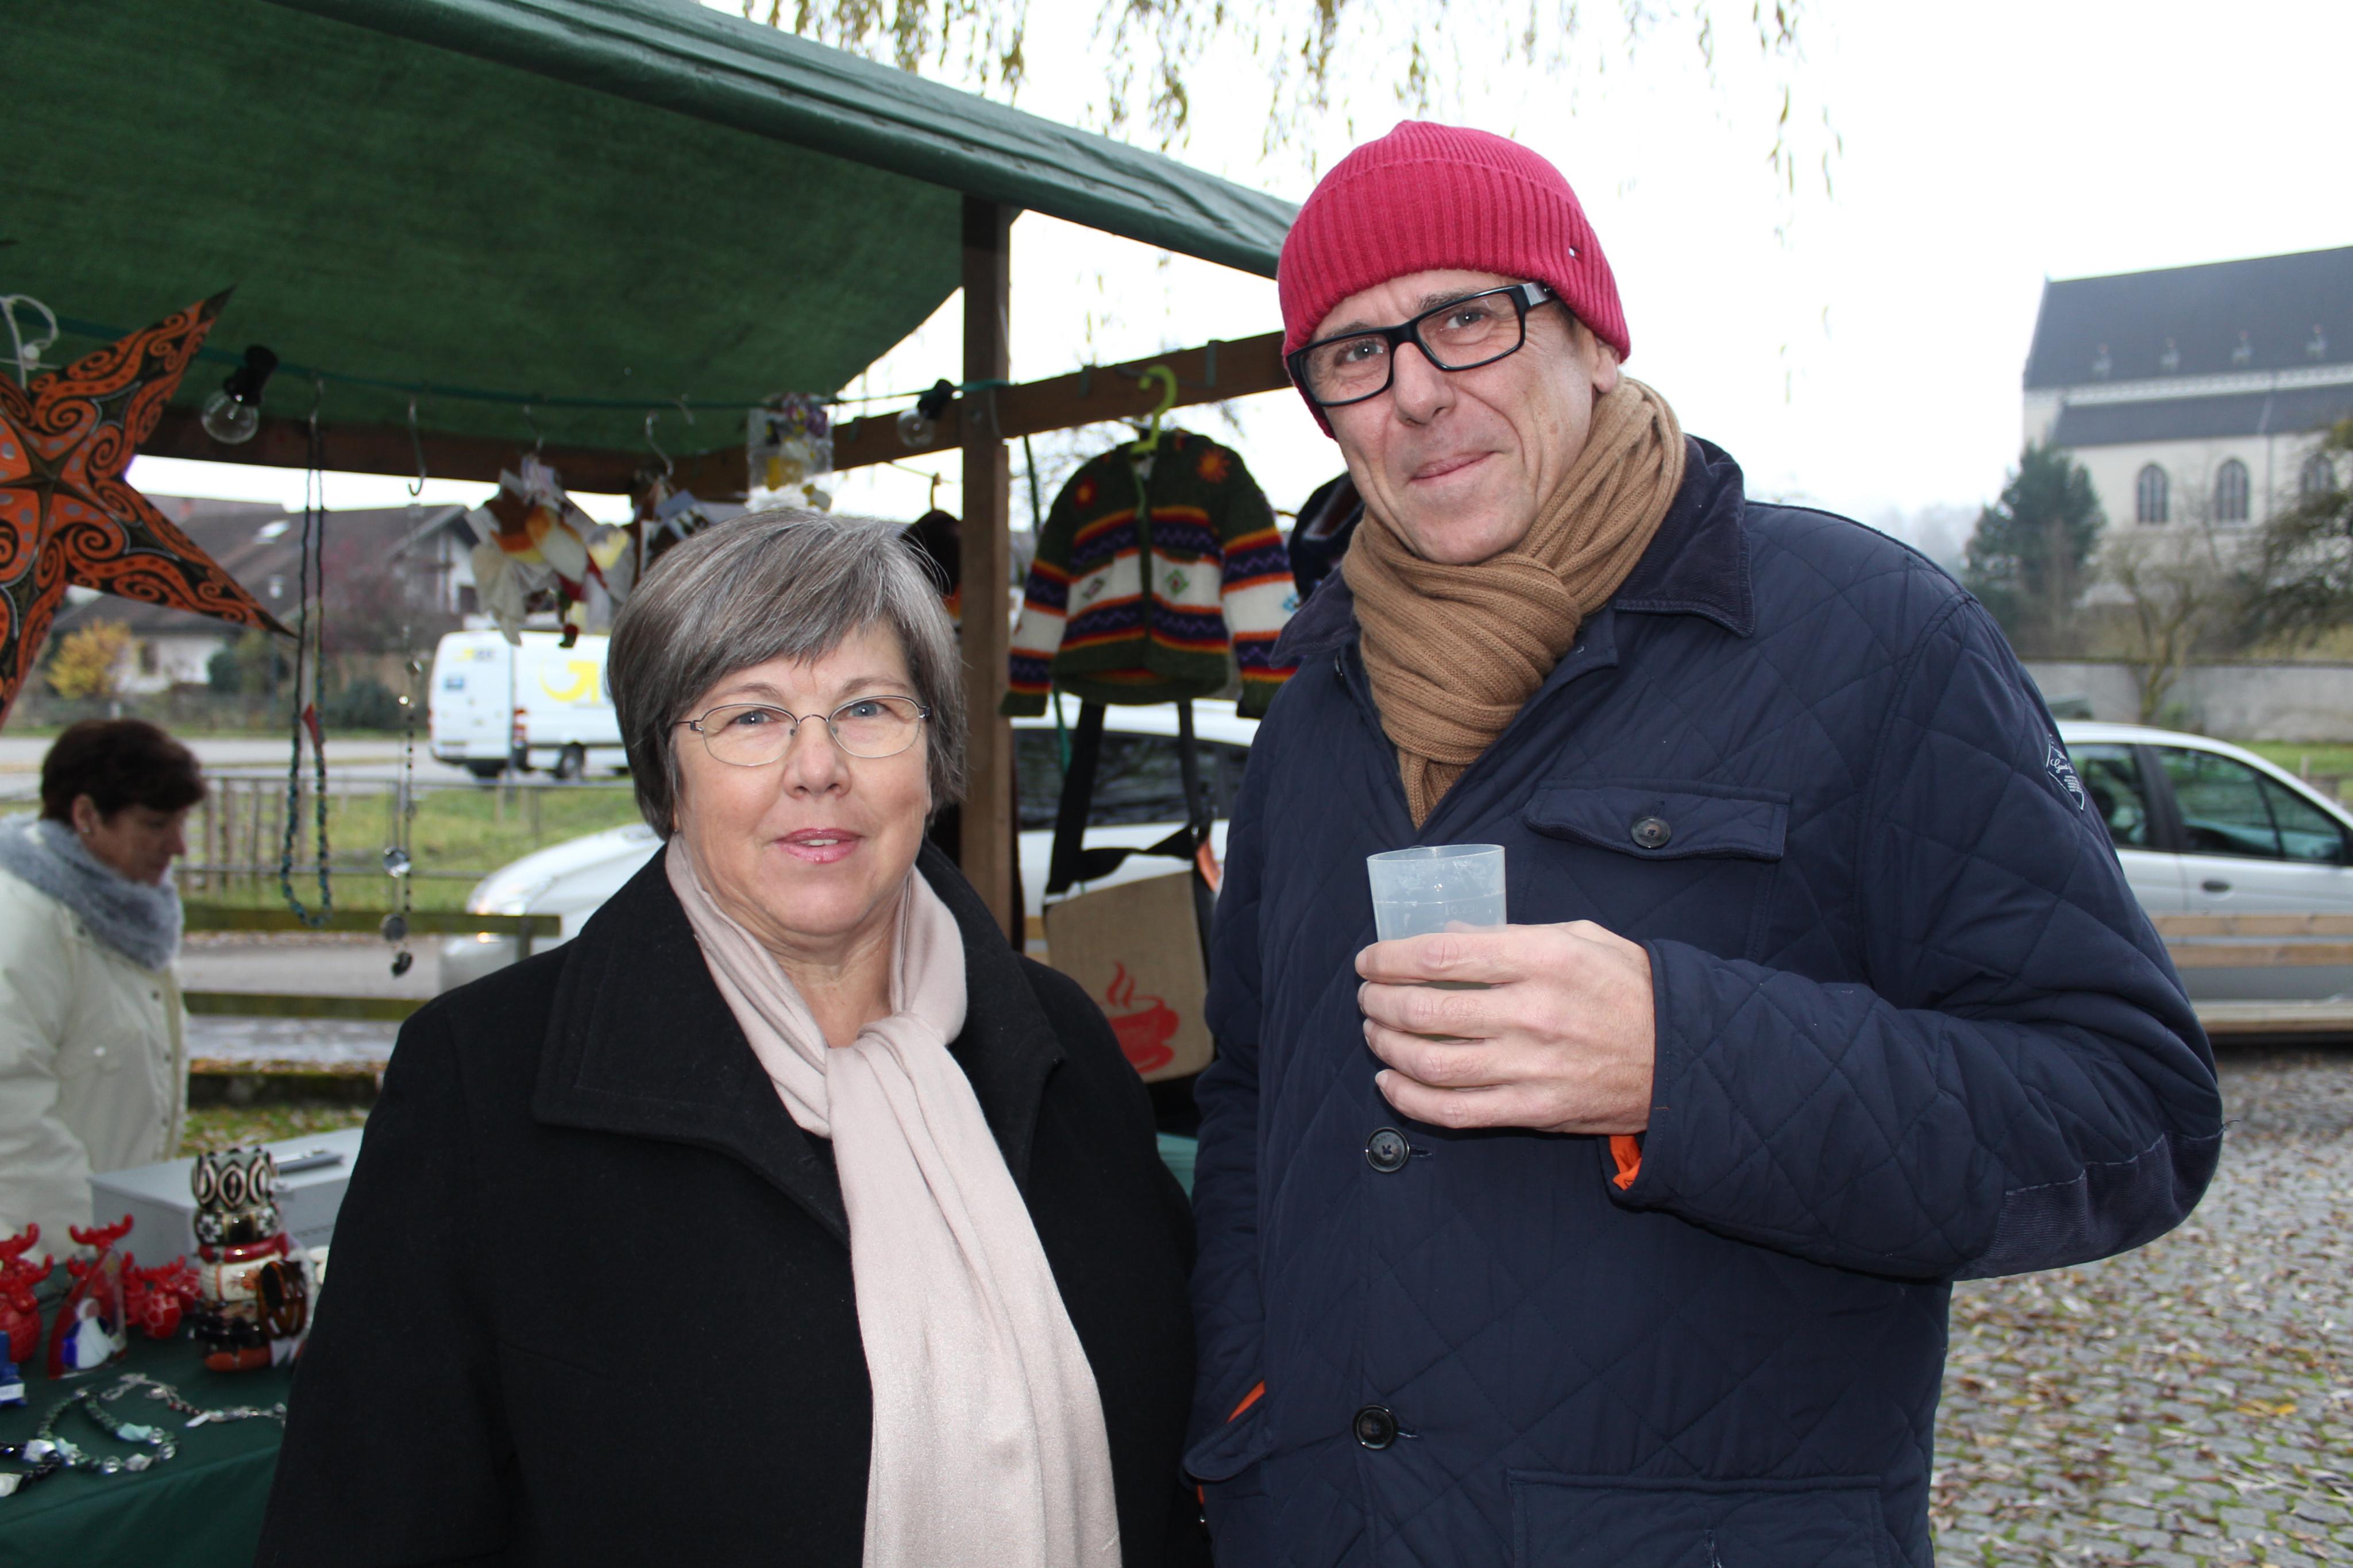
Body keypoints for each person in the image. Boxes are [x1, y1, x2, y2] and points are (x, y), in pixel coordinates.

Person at [1185, 121, 2223, 1567]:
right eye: (1353, 353)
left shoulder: (1873, 639)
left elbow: (2127, 1115)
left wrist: (1681, 1059)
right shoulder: (1313, 710)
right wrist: (1241, 1410)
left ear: (1593, 338)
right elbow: (1251, 1097)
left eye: (1468, 319)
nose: (1415, 391)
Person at [259, 512, 1202, 1566]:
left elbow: (1174, 1457)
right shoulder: (483, 1082)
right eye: (751, 716)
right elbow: (364, 1524)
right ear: (668, 775)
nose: (818, 766)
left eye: (868, 708)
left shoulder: (1057, 1037)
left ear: (933, 757)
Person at [0, 719, 203, 1247]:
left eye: (182, 823)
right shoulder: (22, 925)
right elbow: (12, 1121)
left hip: (105, 1249)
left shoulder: (127, 913)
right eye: (156, 824)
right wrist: (98, 1250)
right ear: (86, 815)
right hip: (42, 1262)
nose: (178, 846)